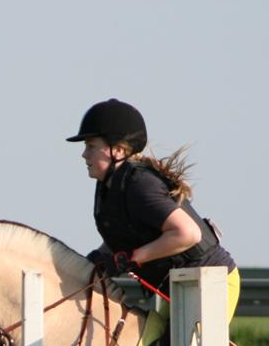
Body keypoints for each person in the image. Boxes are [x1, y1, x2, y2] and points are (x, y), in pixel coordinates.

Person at [67, 98, 240, 319]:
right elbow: (123, 239)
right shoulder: (109, 187)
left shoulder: (139, 185)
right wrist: (94, 262)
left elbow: (188, 233)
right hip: (174, 286)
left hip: (211, 282)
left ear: (118, 150)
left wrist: (133, 258)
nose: (84, 155)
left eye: (91, 146)